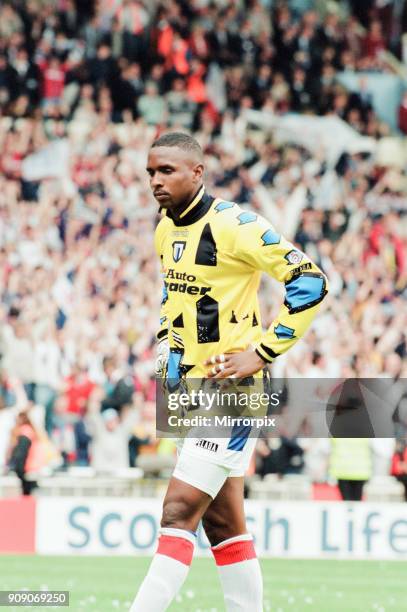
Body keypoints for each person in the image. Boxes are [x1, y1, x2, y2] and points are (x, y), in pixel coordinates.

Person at [130, 132, 329, 611]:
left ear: (197, 173)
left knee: (178, 510)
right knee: (223, 525)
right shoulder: (165, 228)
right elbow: (172, 301)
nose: (156, 181)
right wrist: (166, 349)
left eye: (167, 171)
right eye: (151, 172)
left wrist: (261, 352)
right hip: (190, 393)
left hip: (233, 393)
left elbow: (310, 281)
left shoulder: (235, 226)